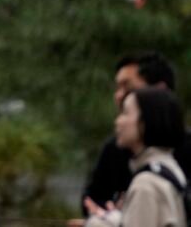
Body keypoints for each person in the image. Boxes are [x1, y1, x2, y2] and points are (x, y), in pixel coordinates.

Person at [82, 52, 191, 215]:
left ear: (159, 91)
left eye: (128, 87)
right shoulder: (114, 149)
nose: (118, 96)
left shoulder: (146, 185)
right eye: (117, 88)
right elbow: (91, 199)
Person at [84, 87, 188, 227]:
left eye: (125, 113)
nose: (118, 121)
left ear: (145, 121)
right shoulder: (169, 167)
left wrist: (97, 223)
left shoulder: (145, 185)